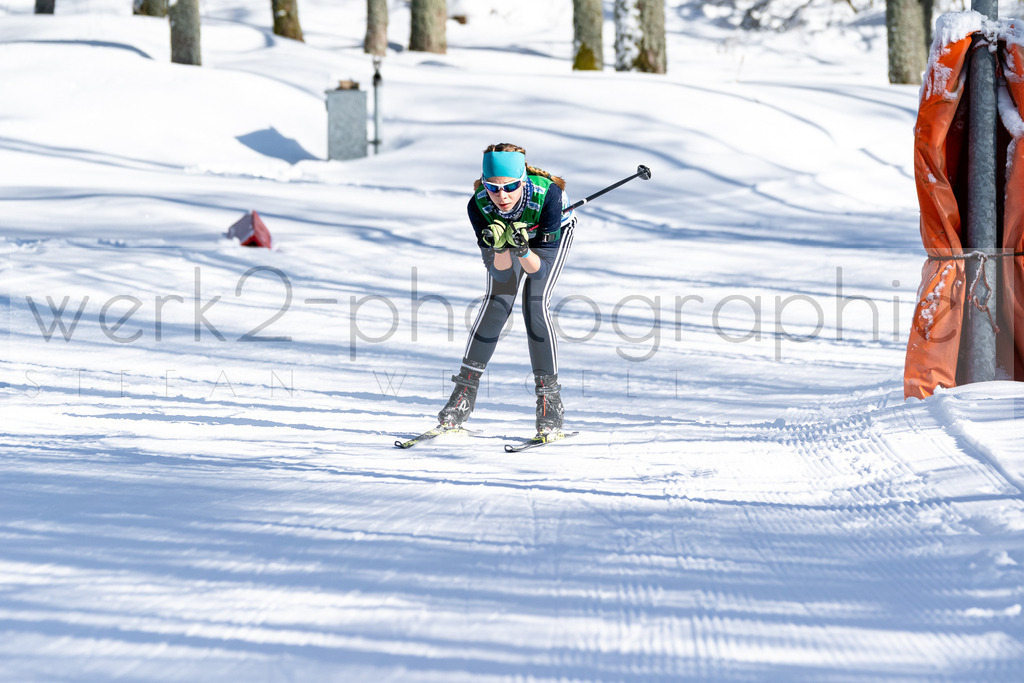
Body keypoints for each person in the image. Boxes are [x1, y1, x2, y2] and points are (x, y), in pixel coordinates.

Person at [437, 143, 576, 437]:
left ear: (523, 179)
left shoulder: (549, 196)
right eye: (493, 187)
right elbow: (501, 273)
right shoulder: (478, 206)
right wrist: (501, 245)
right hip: (511, 240)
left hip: (549, 237)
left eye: (511, 186)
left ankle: (550, 401)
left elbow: (539, 270)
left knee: (534, 304)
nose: (502, 196)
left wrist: (523, 248)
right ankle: (463, 394)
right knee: (498, 302)